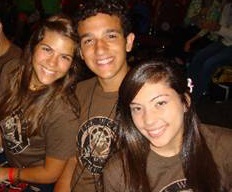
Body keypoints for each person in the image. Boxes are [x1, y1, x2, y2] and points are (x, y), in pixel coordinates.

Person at [103, 59, 232, 192]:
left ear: (185, 102)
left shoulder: (224, 147)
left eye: (160, 103)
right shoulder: (119, 174)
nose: (148, 120)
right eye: (137, 108)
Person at [54, 0, 135, 191]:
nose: (100, 49)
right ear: (81, 52)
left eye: (111, 36)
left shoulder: (149, 98)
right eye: (89, 40)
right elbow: (74, 158)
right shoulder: (79, 91)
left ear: (128, 42)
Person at [0, 14, 79, 191]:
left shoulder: (64, 113)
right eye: (47, 49)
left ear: (71, 65)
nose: (52, 63)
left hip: (35, 179)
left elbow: (50, 173)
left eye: (64, 57)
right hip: (7, 158)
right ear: (33, 46)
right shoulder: (10, 70)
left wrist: (7, 174)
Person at [188, 0, 232, 101]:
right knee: (198, 57)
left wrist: (218, 28)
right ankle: (189, 88)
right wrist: (212, 26)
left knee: (209, 63)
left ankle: (197, 95)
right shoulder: (227, 6)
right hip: (225, 42)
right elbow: (220, 27)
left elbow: (221, 28)